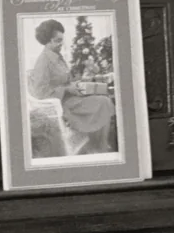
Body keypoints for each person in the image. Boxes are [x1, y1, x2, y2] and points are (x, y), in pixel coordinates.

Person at [27, 19, 114, 155]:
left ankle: (98, 144)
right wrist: (66, 89)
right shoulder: (43, 62)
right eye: (57, 40)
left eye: (61, 40)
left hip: (71, 99)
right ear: (47, 41)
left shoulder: (56, 56)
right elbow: (39, 93)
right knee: (104, 101)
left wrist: (80, 80)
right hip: (63, 106)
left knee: (103, 96)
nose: (61, 44)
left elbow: (64, 80)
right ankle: (99, 146)